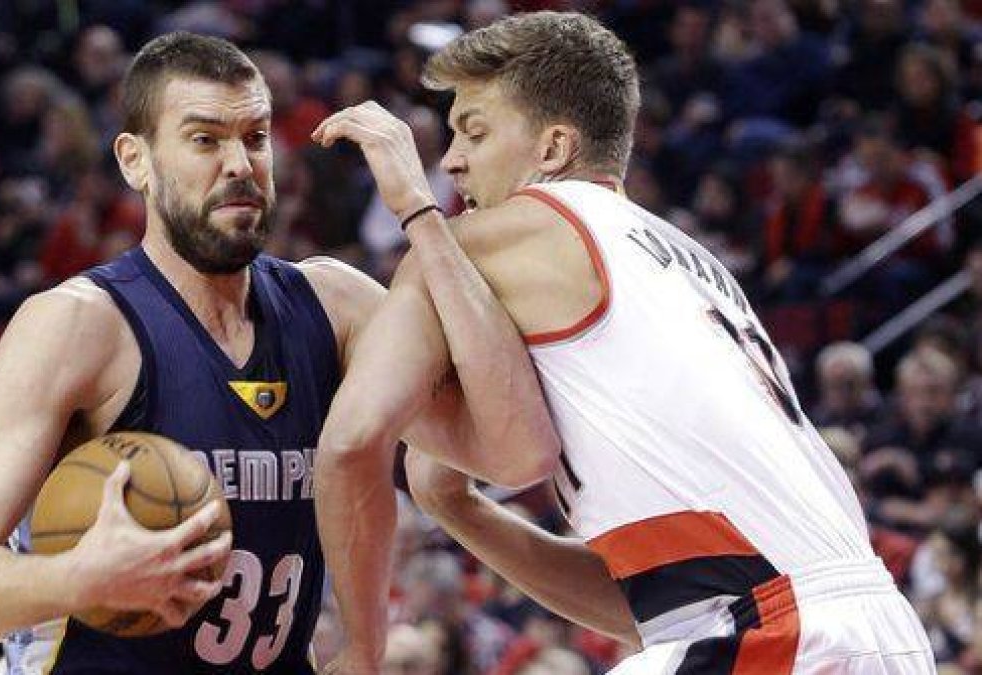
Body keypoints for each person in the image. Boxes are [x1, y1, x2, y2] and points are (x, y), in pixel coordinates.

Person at [0, 31, 550, 674]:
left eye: (256, 137)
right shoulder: (76, 326)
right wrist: (78, 578)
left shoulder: (336, 308)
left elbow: (513, 447)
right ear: (136, 161)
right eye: (205, 139)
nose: (239, 163)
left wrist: (420, 211)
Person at [312, 10, 935, 674]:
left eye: (474, 131)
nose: (452, 160)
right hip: (864, 631)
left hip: (778, 631)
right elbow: (657, 606)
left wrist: (417, 212)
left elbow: (487, 450)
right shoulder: (689, 261)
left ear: (552, 149)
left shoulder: (512, 228)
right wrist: (456, 507)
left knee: (328, 287)